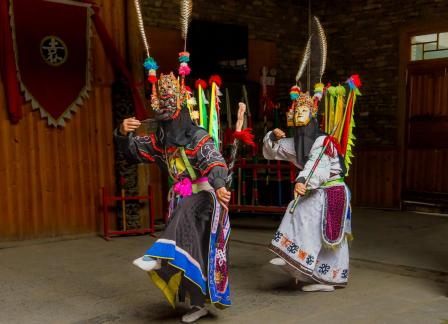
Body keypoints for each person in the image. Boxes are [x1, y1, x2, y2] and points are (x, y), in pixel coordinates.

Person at [114, 72, 232, 323]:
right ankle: (197, 305)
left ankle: (157, 255)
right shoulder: (161, 142)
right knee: (189, 252)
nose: (166, 125)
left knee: (194, 233)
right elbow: (134, 152)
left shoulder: (199, 137)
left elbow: (213, 161)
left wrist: (220, 184)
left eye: (171, 117)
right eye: (162, 120)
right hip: (180, 203)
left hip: (205, 200)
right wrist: (122, 133)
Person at [263, 88, 353, 292]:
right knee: (309, 222)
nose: (298, 116)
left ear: (312, 117)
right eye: (296, 112)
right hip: (318, 188)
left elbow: (317, 165)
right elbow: (273, 151)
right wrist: (273, 137)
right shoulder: (298, 143)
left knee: (302, 214)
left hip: (332, 191)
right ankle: (321, 277)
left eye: (303, 112)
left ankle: (296, 258)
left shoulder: (323, 141)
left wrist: (303, 180)